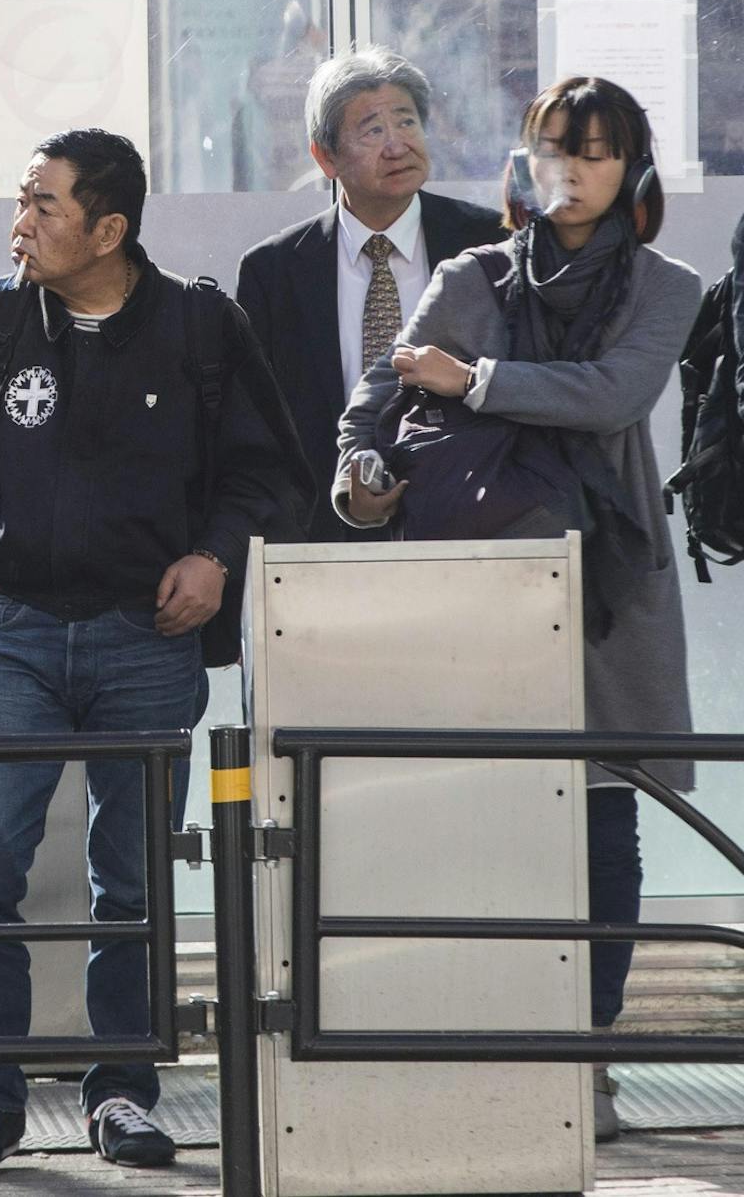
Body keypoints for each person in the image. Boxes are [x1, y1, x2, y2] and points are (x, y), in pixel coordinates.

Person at [0, 129, 306, 1180]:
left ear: (110, 228)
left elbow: (263, 471)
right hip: (15, 636)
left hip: (149, 637)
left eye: (43, 206)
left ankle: (124, 1091)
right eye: (21, 201)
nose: (21, 224)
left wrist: (213, 557)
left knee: (131, 876)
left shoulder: (197, 323)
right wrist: (1, 550)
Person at [336, 76, 699, 1143]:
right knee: (473, 814)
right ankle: (477, 1047)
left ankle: (588, 1052)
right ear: (525, 158)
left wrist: (477, 379)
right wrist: (359, 474)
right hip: (474, 583)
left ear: (632, 166)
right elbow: (382, 394)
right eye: (555, 148)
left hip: (605, 585)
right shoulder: (472, 272)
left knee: (602, 816)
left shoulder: (664, 283)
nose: (573, 171)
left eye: (596, 151)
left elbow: (614, 393)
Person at [236, 48, 503, 541]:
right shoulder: (273, 271)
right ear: (325, 156)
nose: (397, 145)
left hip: (469, 522)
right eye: (372, 130)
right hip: (324, 536)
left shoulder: (490, 244)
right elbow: (258, 424)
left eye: (406, 122)